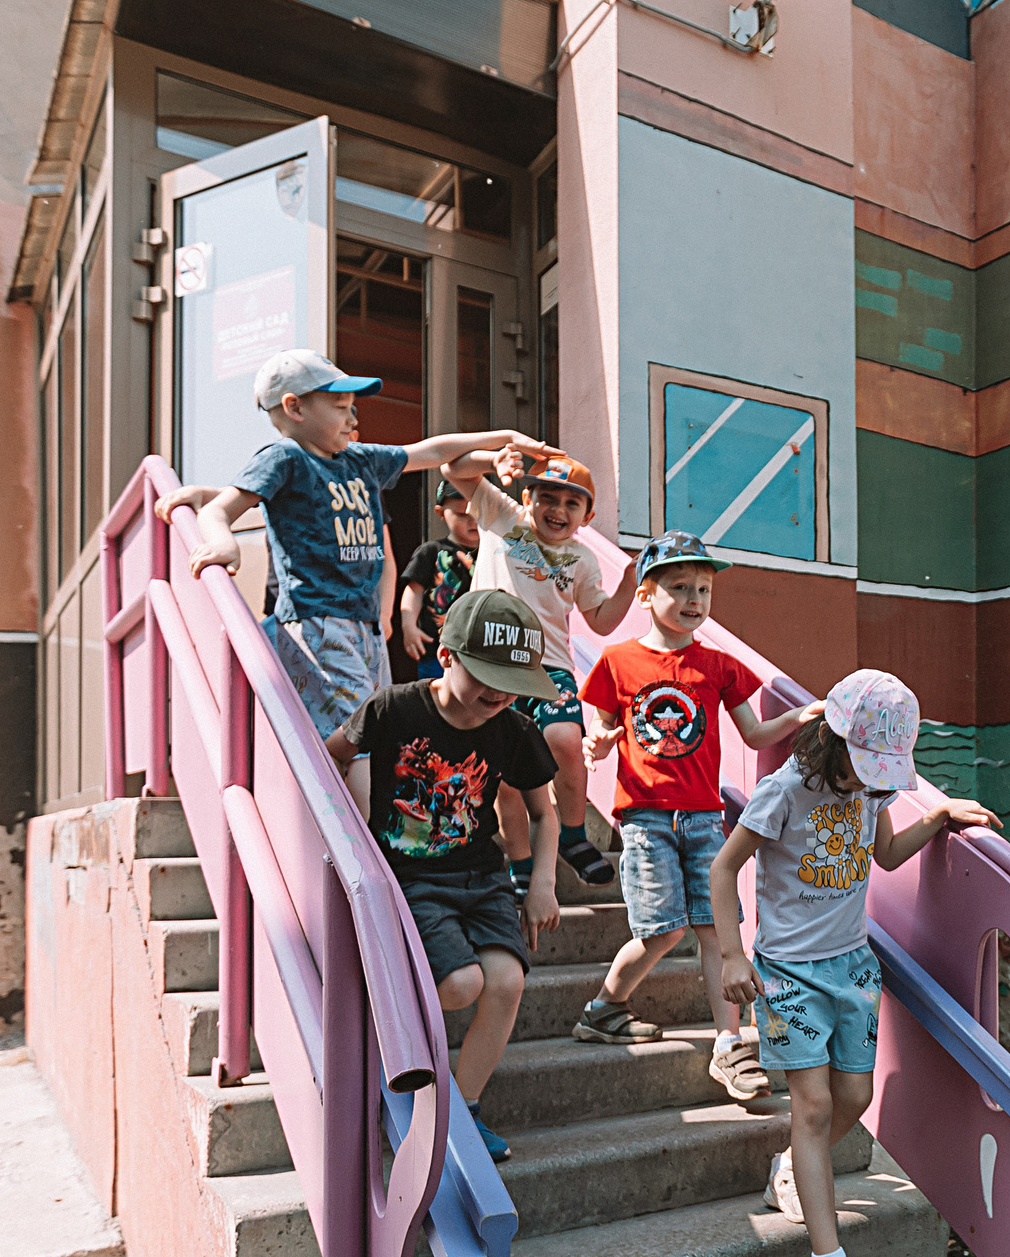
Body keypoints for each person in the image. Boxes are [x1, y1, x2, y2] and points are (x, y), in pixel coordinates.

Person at [709, 670, 1002, 1257]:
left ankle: (790, 1165)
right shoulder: (784, 790)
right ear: (832, 739)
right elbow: (725, 868)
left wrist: (939, 815)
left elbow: (889, 855)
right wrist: (732, 953)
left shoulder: (871, 791)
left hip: (852, 969)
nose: (871, 779)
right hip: (788, 975)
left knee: (853, 1095)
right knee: (811, 1107)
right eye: (864, 764)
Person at [169, 348, 548, 735]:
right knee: (356, 735)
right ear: (295, 408)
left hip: (364, 625)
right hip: (318, 619)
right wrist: (224, 544)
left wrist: (506, 438)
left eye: (352, 406)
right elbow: (219, 513)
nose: (352, 417)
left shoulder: (360, 459)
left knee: (376, 729)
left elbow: (431, 450)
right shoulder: (285, 458)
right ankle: (345, 797)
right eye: (339, 406)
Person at [576, 531, 819, 1107]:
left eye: (703, 589)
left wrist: (799, 717)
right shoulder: (618, 660)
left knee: (717, 928)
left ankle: (729, 1043)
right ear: (644, 594)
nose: (694, 599)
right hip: (645, 817)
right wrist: (597, 744)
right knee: (663, 931)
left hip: (706, 816)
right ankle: (604, 1007)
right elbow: (599, 727)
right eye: (680, 587)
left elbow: (755, 733)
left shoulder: (717, 664)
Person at [328, 589, 565, 1164]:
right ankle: (392, 1056)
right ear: (448, 657)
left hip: (482, 875)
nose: (497, 694)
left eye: (511, 681)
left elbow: (544, 812)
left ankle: (466, 1105)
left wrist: (541, 884)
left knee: (506, 982)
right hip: (411, 876)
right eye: (485, 676)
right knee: (460, 985)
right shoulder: (393, 709)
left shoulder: (512, 728)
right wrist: (349, 822)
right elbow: (332, 751)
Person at [444, 445, 643, 890]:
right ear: (528, 498)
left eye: (572, 502)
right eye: (548, 497)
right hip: (492, 664)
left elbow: (602, 620)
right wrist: (494, 458)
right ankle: (520, 862)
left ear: (587, 517)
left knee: (566, 739)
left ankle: (572, 835)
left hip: (548, 666)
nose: (558, 510)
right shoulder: (504, 517)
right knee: (506, 777)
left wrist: (628, 585)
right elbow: (452, 468)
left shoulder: (582, 559)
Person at [397, 476, 480, 675]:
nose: (471, 520)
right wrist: (408, 626)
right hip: (436, 650)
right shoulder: (431, 551)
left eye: (476, 512)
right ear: (440, 513)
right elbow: (413, 590)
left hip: (479, 651)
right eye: (461, 514)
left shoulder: (493, 553)